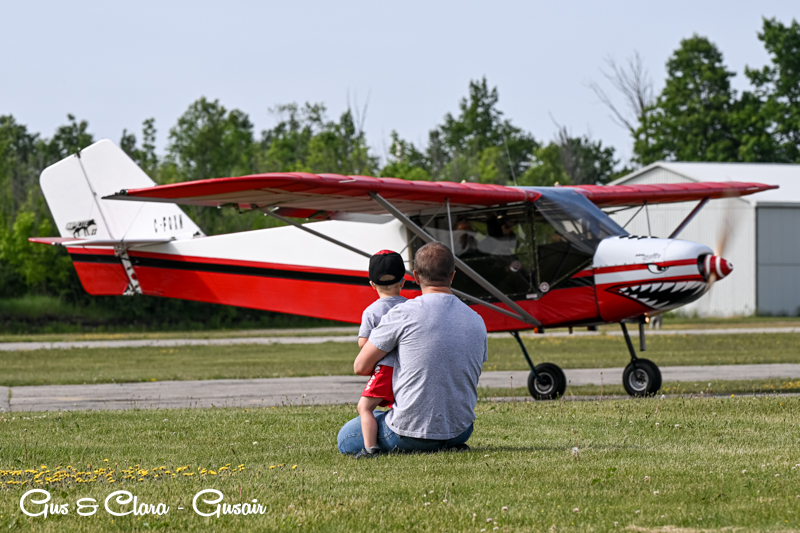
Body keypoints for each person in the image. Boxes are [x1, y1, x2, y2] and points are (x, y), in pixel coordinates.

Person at [337, 241, 488, 455]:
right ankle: (445, 443)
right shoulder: (477, 320)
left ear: (415, 276)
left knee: (346, 436)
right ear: (452, 276)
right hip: (460, 431)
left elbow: (360, 366)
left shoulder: (402, 313)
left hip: (411, 433)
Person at [354, 250, 408, 459]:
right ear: (402, 281)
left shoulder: (371, 311)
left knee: (365, 407)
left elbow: (363, 343)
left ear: (372, 284)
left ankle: (370, 448)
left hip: (386, 369)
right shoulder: (410, 306)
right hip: (408, 367)